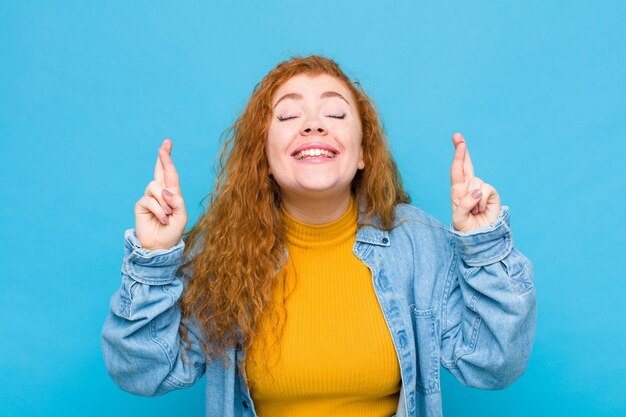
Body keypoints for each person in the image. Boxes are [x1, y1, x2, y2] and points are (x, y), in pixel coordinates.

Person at [101, 55, 536, 417]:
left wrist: (483, 246)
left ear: (363, 152)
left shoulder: (417, 243)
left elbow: (495, 365)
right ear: (264, 158)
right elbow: (141, 373)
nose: (313, 125)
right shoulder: (221, 252)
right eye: (289, 115)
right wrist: (154, 258)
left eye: (335, 113)